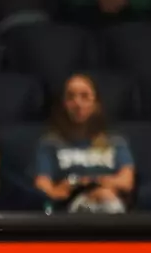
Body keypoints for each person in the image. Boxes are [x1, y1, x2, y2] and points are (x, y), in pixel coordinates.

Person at [34, 74, 134, 213]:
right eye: (70, 97)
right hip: (72, 206)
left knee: (106, 201)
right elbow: (42, 184)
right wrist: (57, 192)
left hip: (110, 200)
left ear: (96, 103)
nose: (77, 103)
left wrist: (93, 183)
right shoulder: (51, 143)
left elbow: (126, 181)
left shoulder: (115, 141)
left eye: (85, 96)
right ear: (63, 104)